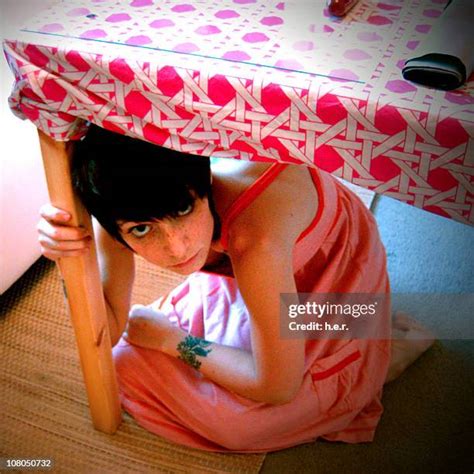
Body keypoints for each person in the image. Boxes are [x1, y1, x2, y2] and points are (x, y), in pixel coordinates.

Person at [38, 124, 434, 452]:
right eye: (142, 230)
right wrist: (72, 262)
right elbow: (105, 330)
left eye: (183, 211)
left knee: (239, 423)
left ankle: (375, 359)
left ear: (203, 185)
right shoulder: (126, 211)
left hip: (339, 292)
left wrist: (171, 340)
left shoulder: (255, 240)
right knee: (124, 361)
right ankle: (369, 344)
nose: (176, 248)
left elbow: (275, 387)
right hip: (281, 283)